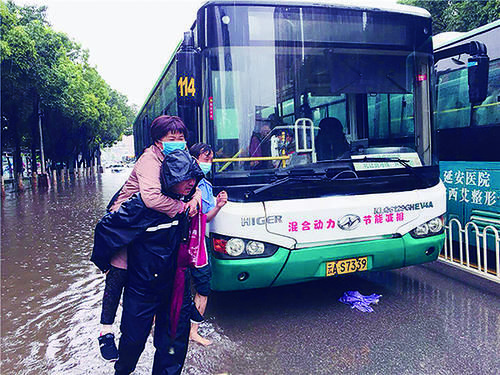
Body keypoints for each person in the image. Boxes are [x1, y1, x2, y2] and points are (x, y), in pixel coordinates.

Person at [97, 115, 201, 361]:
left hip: (158, 220)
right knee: (120, 269)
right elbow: (151, 198)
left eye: (181, 138)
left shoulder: (182, 156)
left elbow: (196, 183)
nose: (178, 142)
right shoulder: (149, 159)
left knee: (180, 259)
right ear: (158, 141)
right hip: (128, 221)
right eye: (171, 138)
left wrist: (195, 198)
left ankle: (188, 305)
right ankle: (105, 330)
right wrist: (182, 208)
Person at [188, 143, 228, 346]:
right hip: (178, 243)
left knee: (203, 286)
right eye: (205, 159)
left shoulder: (206, 185)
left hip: (199, 244)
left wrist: (219, 206)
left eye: (211, 159)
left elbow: (206, 219)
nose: (208, 163)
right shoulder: (180, 182)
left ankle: (193, 331)